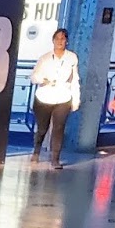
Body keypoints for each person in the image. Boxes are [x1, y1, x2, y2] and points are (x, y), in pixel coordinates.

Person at [30, 27, 81, 170]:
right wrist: (43, 80)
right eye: (57, 39)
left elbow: (75, 79)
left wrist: (76, 99)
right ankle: (36, 150)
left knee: (58, 128)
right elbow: (34, 76)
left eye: (62, 39)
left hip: (63, 97)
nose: (60, 41)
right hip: (44, 97)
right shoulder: (44, 58)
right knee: (42, 128)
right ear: (53, 41)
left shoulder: (72, 58)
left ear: (66, 41)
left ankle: (55, 158)